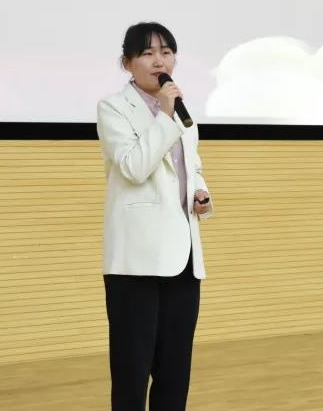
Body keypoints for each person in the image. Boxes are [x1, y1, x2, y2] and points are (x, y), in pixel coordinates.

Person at [96, 21, 214, 411]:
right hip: (137, 260)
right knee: (132, 372)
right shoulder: (114, 108)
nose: (159, 61)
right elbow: (133, 167)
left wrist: (200, 193)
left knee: (174, 371)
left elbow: (190, 166)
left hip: (183, 258)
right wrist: (165, 115)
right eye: (147, 53)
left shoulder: (181, 112)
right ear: (127, 63)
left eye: (166, 52)